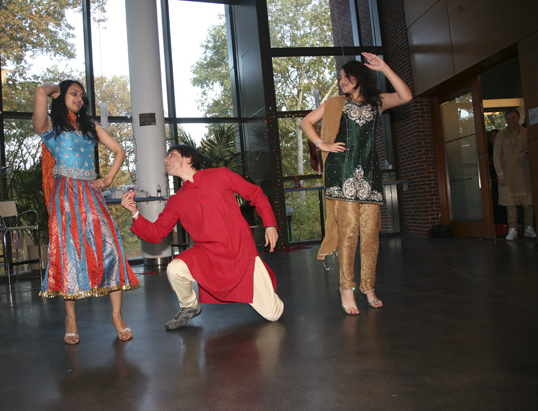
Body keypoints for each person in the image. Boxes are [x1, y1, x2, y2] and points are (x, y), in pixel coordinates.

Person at [120, 145, 283, 330]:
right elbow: (156, 233)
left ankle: (266, 289)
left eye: (171, 155)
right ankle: (189, 306)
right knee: (175, 269)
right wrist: (134, 213)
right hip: (207, 254)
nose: (166, 160)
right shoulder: (176, 201)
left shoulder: (220, 175)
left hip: (241, 252)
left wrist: (270, 224)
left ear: (188, 158)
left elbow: (256, 194)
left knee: (273, 314)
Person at [300, 53, 412, 315]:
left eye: (345, 76)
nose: (341, 81)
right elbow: (306, 122)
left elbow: (406, 96)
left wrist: (384, 66)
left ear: (358, 77)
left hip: (370, 177)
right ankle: (346, 287)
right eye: (339, 78)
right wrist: (322, 145)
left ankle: (368, 286)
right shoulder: (335, 103)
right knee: (348, 233)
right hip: (342, 175)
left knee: (372, 234)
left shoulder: (377, 103)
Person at [32, 80, 140, 344]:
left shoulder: (91, 127)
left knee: (112, 246)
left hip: (91, 193)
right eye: (73, 93)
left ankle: (117, 316)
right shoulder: (48, 126)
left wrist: (107, 179)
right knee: (67, 253)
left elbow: (119, 151)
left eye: (81, 95)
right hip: (64, 195)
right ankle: (70, 319)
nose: (79, 98)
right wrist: (55, 89)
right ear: (60, 96)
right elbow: (39, 92)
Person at [493, 109, 536, 240]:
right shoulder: (501, 135)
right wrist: (500, 173)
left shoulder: (527, 132)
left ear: (519, 117)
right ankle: (513, 229)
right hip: (507, 173)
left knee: (528, 201)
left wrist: (526, 152)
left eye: (513, 118)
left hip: (525, 173)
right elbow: (496, 156)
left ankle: (529, 227)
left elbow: (534, 146)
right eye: (508, 119)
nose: (511, 121)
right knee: (510, 203)